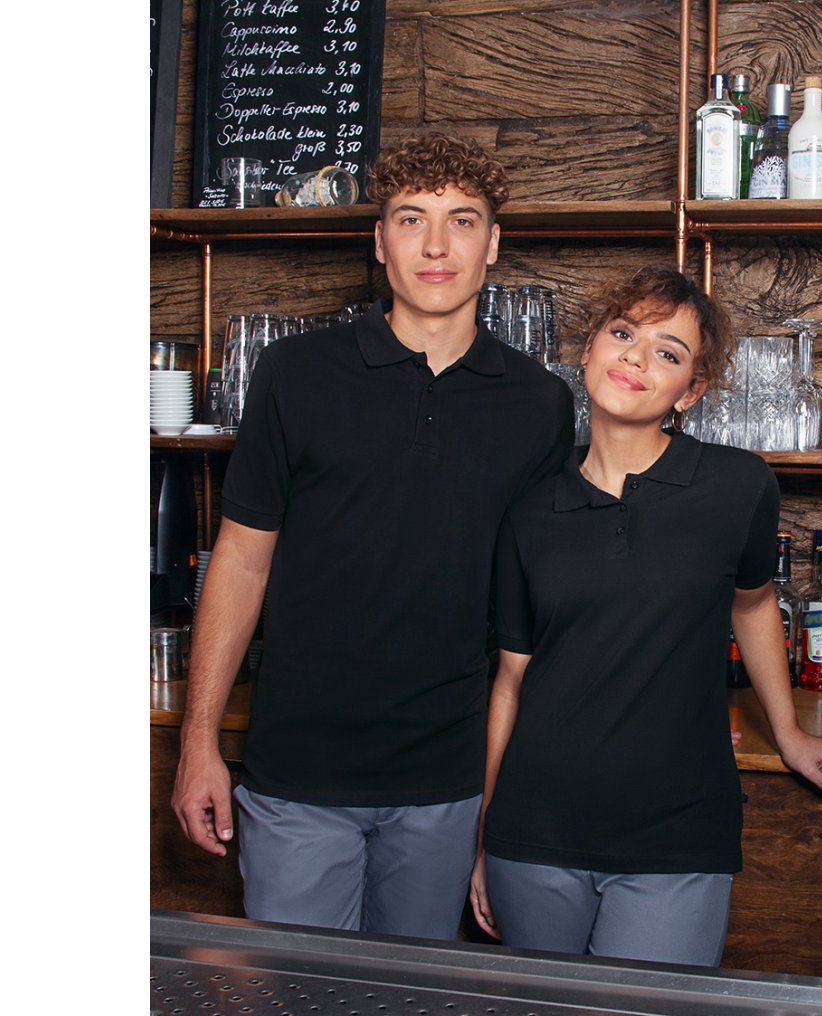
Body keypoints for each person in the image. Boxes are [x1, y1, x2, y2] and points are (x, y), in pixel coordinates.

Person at [171, 133, 575, 941]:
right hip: (299, 771)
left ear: (493, 243)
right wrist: (198, 741)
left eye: (462, 221)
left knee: (411, 995)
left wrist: (508, 800)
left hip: (448, 779)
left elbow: (533, 612)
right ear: (380, 240)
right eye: (411, 219)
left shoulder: (540, 403)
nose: (436, 246)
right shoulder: (295, 373)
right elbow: (242, 562)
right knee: (294, 993)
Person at [469, 263, 822, 966]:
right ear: (589, 348)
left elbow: (754, 603)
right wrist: (484, 836)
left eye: (667, 351)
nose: (636, 357)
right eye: (623, 333)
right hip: (534, 829)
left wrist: (787, 731)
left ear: (691, 390)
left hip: (678, 829)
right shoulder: (530, 506)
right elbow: (510, 679)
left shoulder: (737, 486)